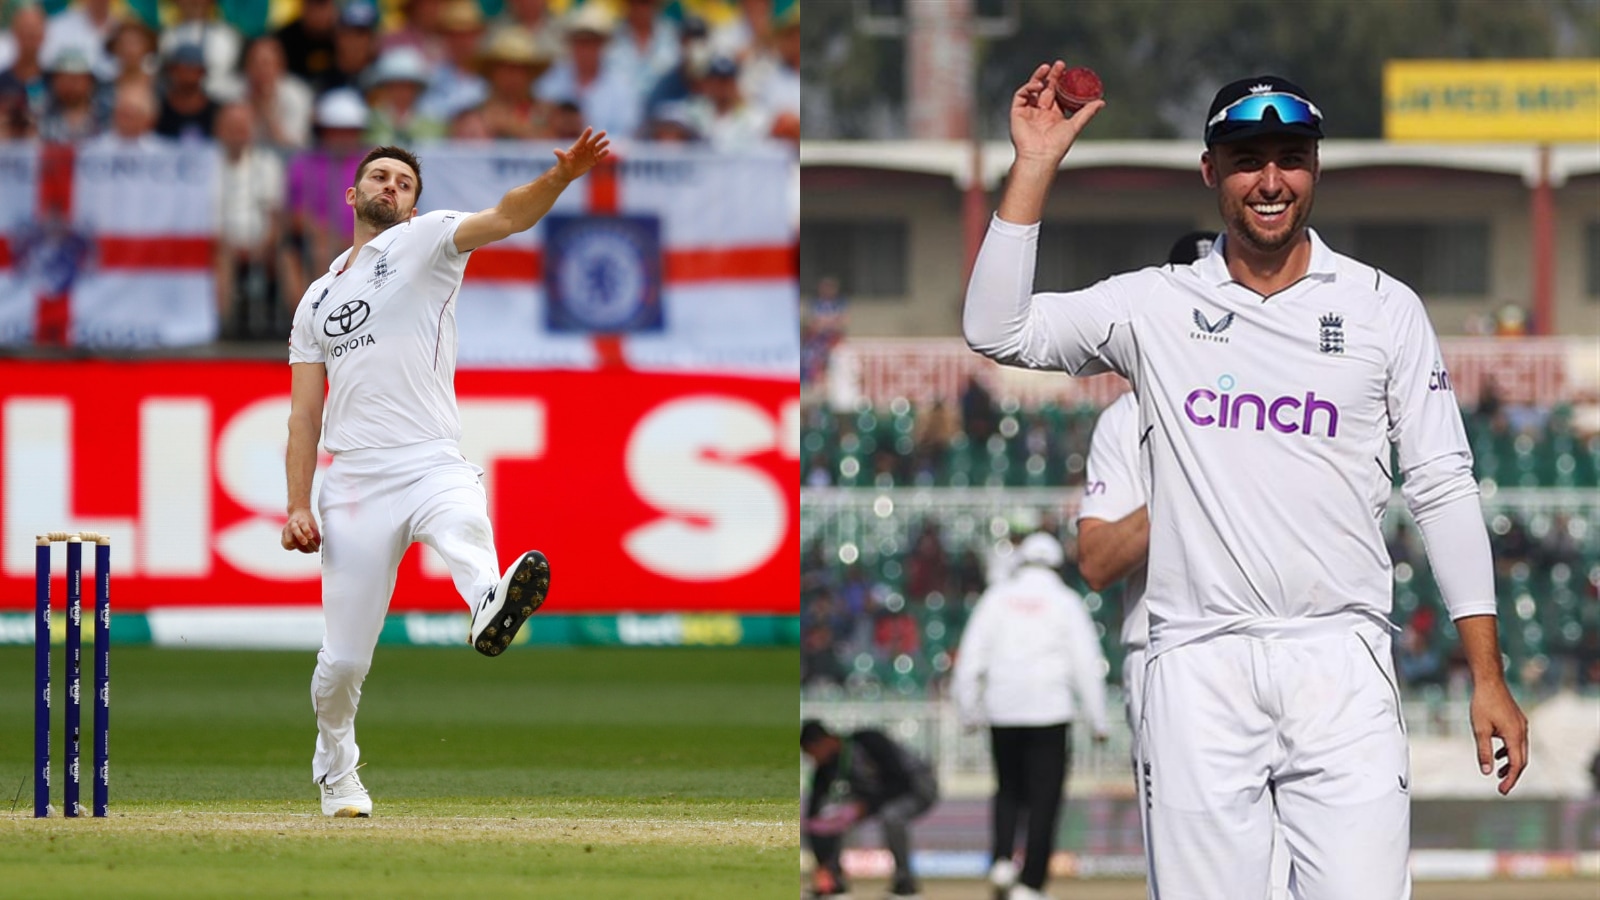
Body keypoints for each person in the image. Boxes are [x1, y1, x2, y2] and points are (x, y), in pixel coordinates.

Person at [963, 67, 1529, 898]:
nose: (1271, 181)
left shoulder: (1384, 308)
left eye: (1290, 157)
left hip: (1340, 658)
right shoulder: (1153, 304)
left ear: (1316, 168)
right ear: (1210, 172)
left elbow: (1442, 487)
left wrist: (1487, 673)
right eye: (1246, 159)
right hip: (1197, 664)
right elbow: (994, 327)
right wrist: (1037, 162)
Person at [280, 127, 610, 817]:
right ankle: (337, 771)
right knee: (343, 664)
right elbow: (305, 417)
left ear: (414, 201)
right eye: (381, 178)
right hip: (355, 482)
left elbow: (508, 216)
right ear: (353, 193)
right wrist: (296, 505)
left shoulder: (426, 240)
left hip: (430, 454)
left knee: (464, 519)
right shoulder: (314, 300)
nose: (392, 188)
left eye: (404, 182)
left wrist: (561, 179)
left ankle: (489, 602)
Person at [951, 532, 1108, 900]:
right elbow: (1086, 664)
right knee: (1045, 800)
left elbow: (971, 657)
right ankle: (1031, 884)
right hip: (1049, 712)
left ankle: (1003, 859)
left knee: (1007, 789)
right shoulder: (1067, 602)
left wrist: (968, 709)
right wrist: (1097, 719)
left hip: (1003, 710)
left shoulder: (996, 599)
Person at [801, 719, 937, 900]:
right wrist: (822, 864)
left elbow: (899, 781)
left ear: (826, 740)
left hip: (916, 788)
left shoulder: (868, 741)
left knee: (892, 815)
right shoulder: (827, 765)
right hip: (875, 799)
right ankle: (834, 884)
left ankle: (906, 886)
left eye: (813, 753)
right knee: (829, 815)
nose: (814, 759)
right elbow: (815, 813)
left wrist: (863, 807)